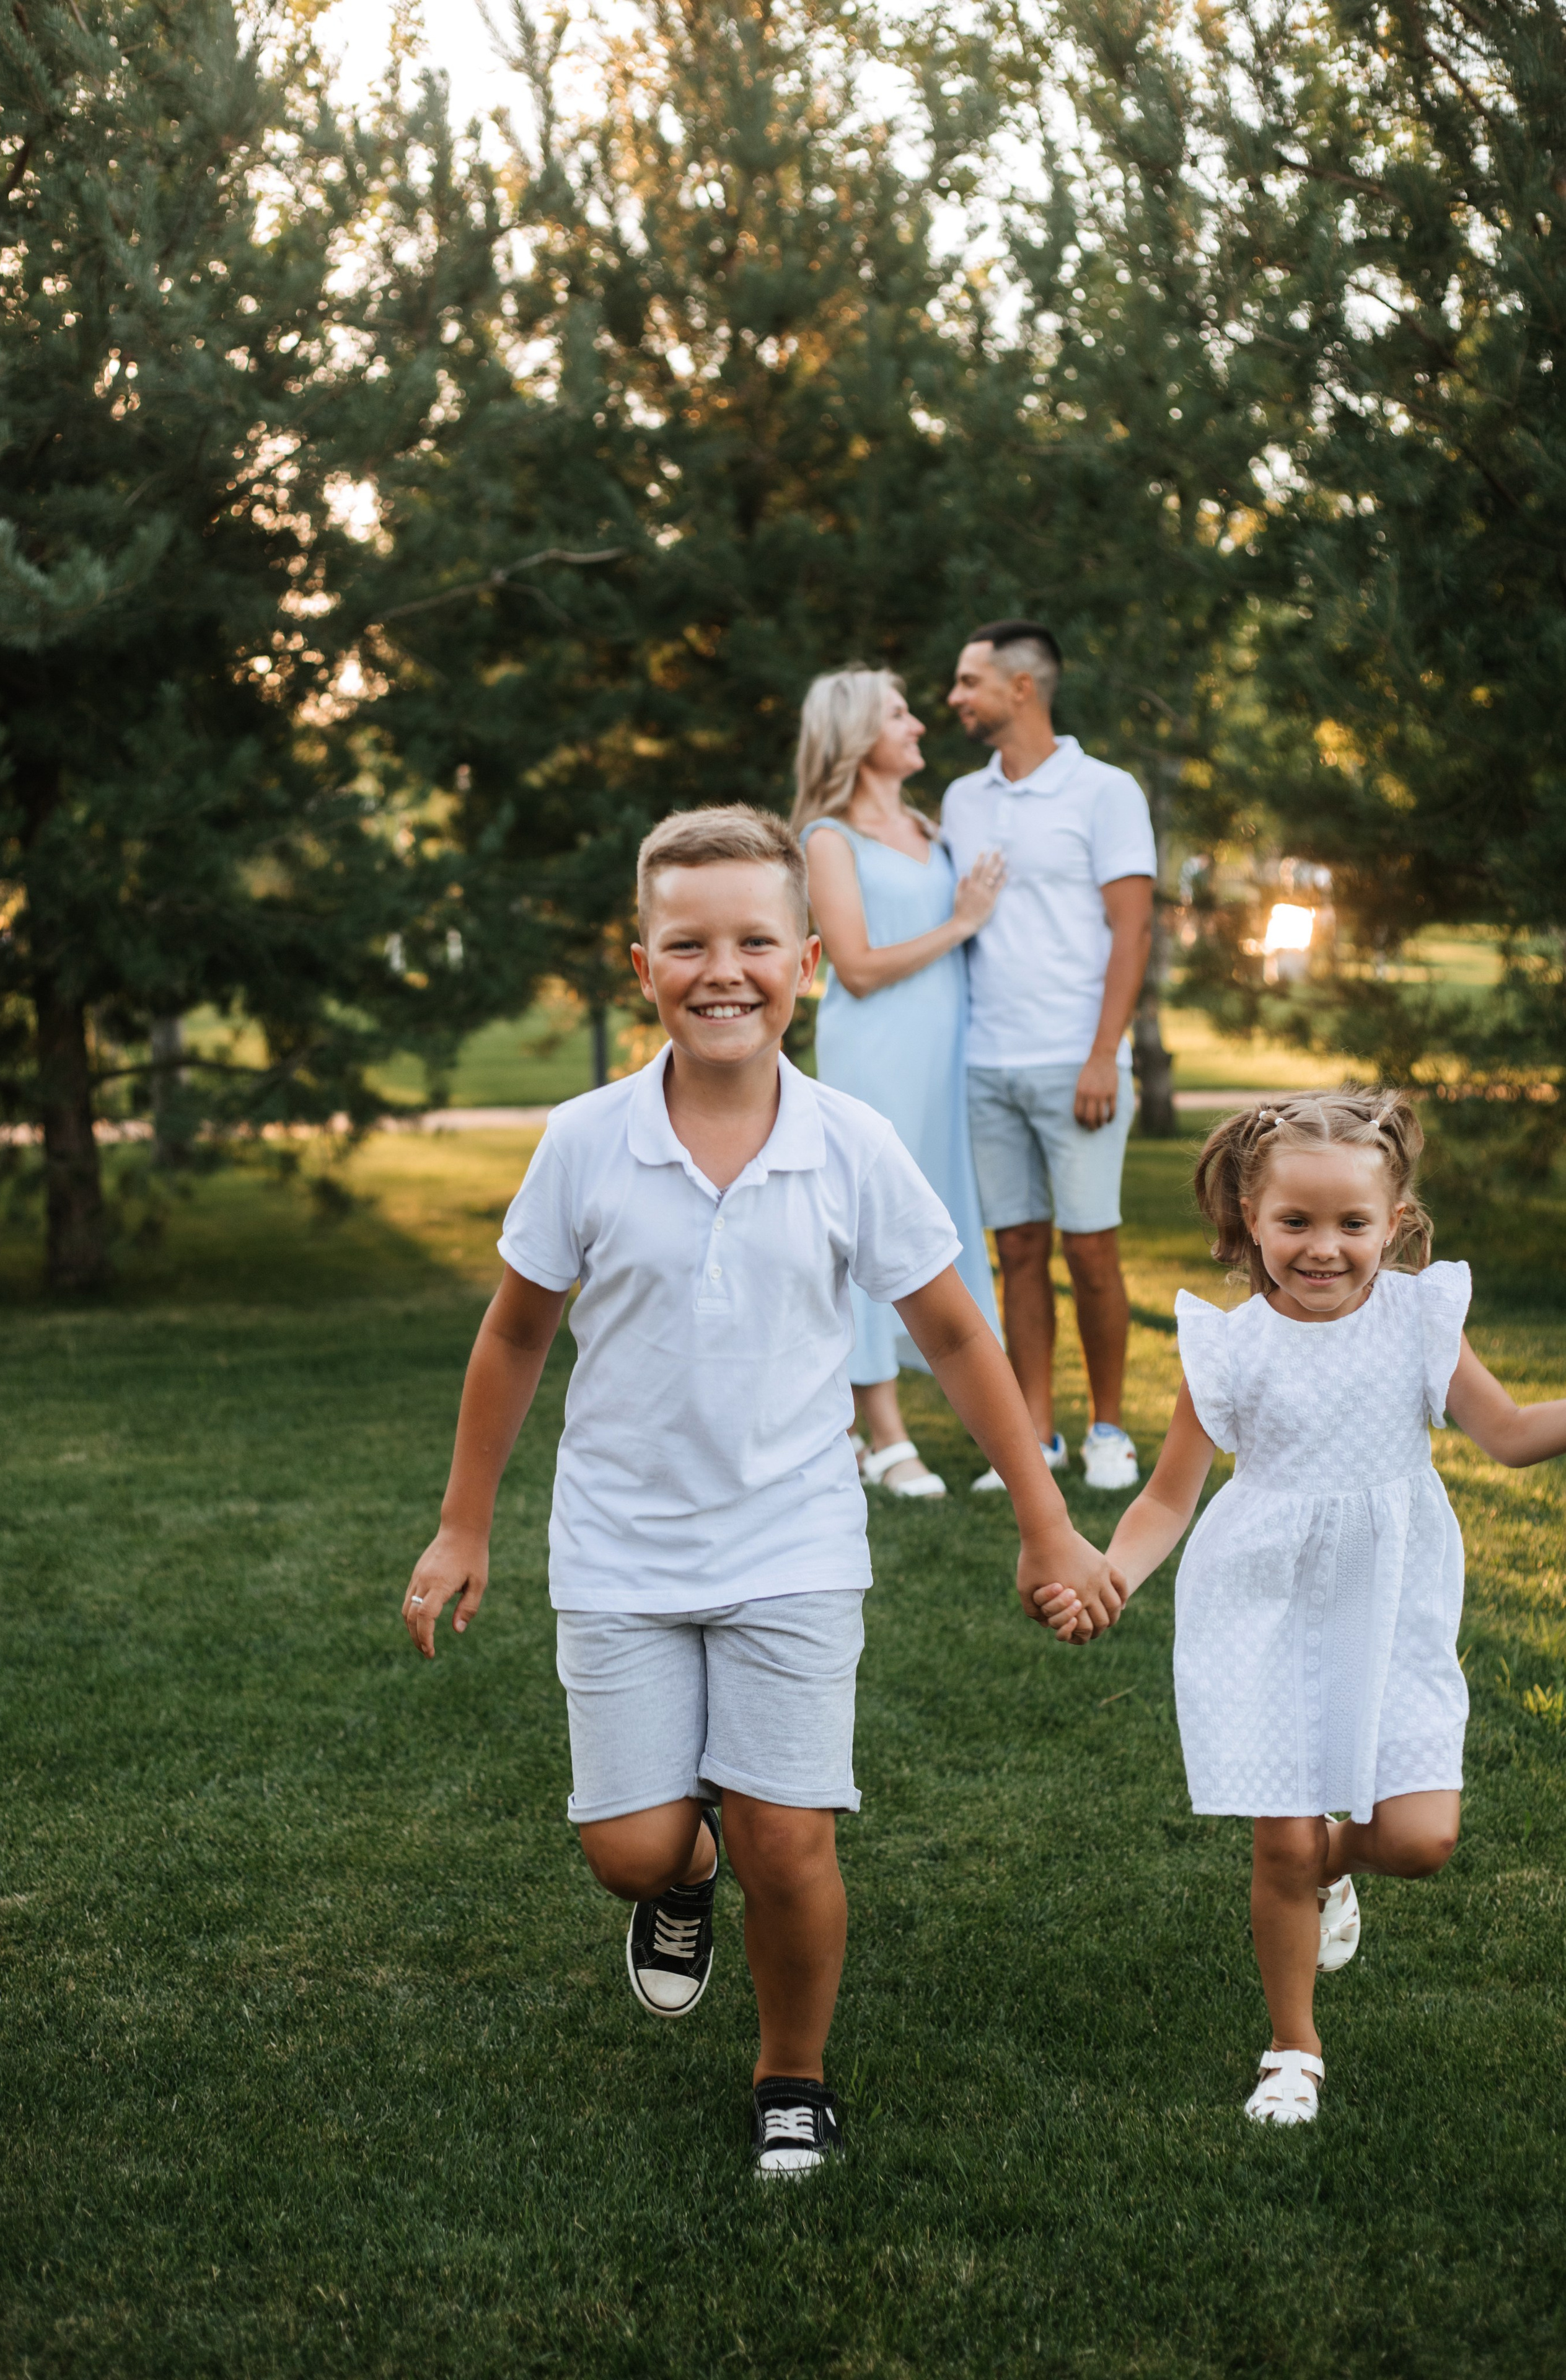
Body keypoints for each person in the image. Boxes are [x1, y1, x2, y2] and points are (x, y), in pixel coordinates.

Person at [401, 804, 1123, 2179]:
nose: (720, 970)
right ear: (639, 963)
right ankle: (675, 1884)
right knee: (630, 1846)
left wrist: (1043, 1515)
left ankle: (790, 2074)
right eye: (687, 944)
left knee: (787, 1840)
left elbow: (961, 1335)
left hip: (792, 1537)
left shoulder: (850, 1143)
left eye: (753, 942)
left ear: (805, 960)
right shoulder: (584, 1141)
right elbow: (512, 1335)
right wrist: (461, 1522)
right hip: (619, 1544)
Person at [1035, 1090, 1566, 2125]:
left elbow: (1505, 1433)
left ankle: (1331, 1869)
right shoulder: (1228, 1351)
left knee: (1420, 1840)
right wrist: (1112, 1576)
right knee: (1278, 1842)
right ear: (1250, 1220)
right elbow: (1168, 1497)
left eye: (1353, 1225)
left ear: (1396, 1224)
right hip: (1262, 1603)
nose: (1324, 1249)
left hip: (1391, 1605)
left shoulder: (1418, 1320)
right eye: (1297, 1224)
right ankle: (1294, 2047)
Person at [941, 620, 1156, 1492]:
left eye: (967, 682)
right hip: (985, 1064)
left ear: (1020, 687)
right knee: (1017, 1250)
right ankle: (1036, 1434)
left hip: (1079, 1065)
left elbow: (1133, 928)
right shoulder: (961, 800)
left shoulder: (1106, 791)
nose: (954, 698)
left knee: (1091, 1251)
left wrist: (1105, 1054)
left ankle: (1108, 1429)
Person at [795, 666, 1005, 1497]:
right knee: (870, 1234)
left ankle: (993, 1425)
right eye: (899, 714)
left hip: (943, 1055)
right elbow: (855, 965)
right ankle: (879, 1434)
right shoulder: (827, 838)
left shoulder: (929, 826)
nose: (919, 724)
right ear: (856, 733)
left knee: (946, 1222)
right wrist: (960, 922)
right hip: (874, 1053)